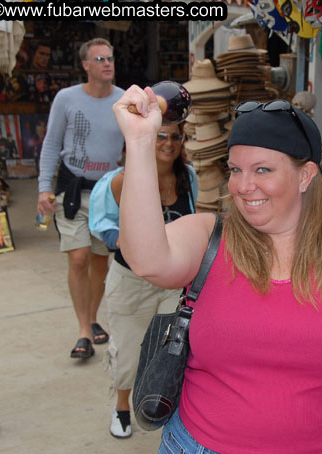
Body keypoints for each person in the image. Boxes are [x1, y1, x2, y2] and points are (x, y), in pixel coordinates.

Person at [112, 80, 322, 453]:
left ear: (305, 176)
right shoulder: (210, 238)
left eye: (262, 170)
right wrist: (139, 143)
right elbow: (146, 258)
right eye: (235, 170)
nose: (243, 185)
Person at [88, 122, 198, 439]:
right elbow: (101, 226)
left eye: (176, 136)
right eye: (161, 135)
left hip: (174, 278)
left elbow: (191, 219)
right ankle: (121, 408)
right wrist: (129, 239)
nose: (169, 143)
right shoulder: (120, 181)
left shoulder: (187, 178)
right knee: (127, 351)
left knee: (172, 346)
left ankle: (164, 403)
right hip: (131, 279)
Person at [37, 38, 125, 360]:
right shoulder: (66, 99)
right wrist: (43, 189)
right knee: (78, 257)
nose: (107, 63)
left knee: (102, 260)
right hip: (73, 190)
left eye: (110, 58)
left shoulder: (124, 100)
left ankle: (92, 315)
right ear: (86, 65)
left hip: (108, 191)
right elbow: (50, 145)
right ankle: (83, 331)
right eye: (99, 58)